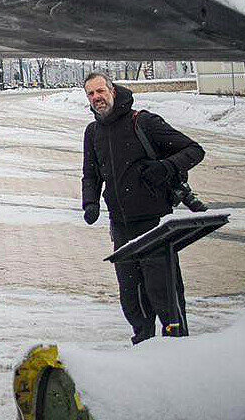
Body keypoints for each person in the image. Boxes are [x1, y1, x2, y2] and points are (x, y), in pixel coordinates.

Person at [81, 72, 206, 343]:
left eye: (100, 91)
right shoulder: (93, 132)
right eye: (91, 94)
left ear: (112, 91)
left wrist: (165, 167)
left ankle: (177, 340)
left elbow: (194, 150)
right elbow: (90, 174)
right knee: (130, 292)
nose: (96, 98)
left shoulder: (143, 122)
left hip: (155, 223)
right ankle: (143, 340)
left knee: (162, 288)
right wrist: (90, 203)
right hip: (121, 225)